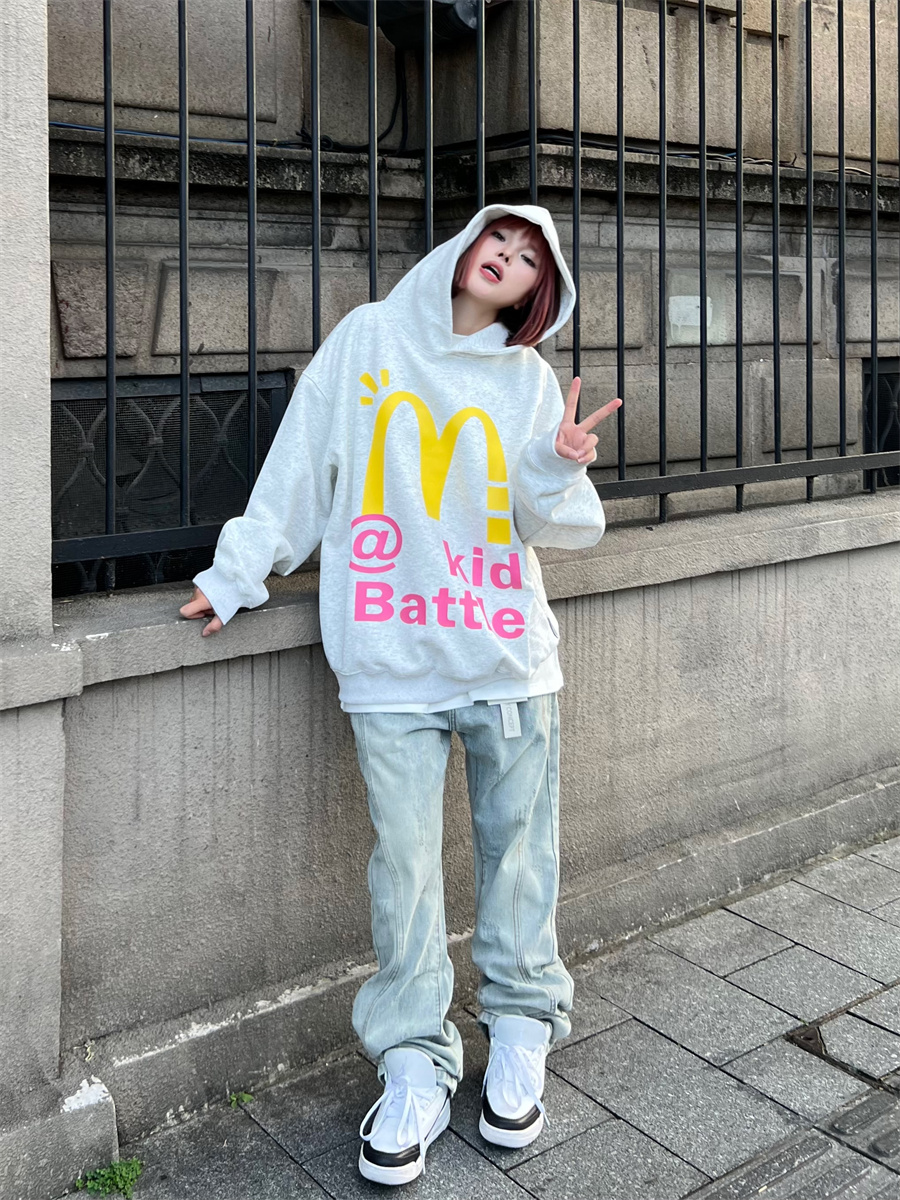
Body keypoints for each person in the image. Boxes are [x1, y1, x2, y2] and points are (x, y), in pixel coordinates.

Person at [180, 203, 622, 1186]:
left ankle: (520, 1031)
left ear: (538, 291)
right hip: (390, 656)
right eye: (498, 239)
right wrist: (236, 574)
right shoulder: (369, 340)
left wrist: (555, 462)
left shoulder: (528, 380)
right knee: (406, 874)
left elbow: (550, 523)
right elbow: (300, 465)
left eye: (528, 258)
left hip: (506, 655)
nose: (506, 258)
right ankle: (415, 1064)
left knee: (521, 858)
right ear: (467, 244)